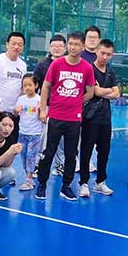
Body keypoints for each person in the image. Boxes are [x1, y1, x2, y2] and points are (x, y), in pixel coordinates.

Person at [36, 31, 95, 201]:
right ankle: (42, 184)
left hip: (74, 119)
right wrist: (43, 109)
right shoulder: (57, 64)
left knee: (71, 154)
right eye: (71, 44)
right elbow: (46, 87)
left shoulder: (87, 68)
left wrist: (76, 101)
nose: (73, 47)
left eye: (77, 44)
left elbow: (90, 92)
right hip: (55, 116)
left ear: (82, 47)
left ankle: (66, 186)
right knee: (49, 152)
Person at [79, 39, 120, 198]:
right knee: (86, 151)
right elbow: (95, 92)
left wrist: (104, 91)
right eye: (102, 53)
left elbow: (117, 93)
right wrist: (107, 90)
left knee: (104, 152)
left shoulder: (111, 72)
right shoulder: (89, 70)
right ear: (96, 51)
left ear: (112, 55)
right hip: (90, 117)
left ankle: (100, 182)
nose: (105, 57)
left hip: (106, 118)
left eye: (108, 54)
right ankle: (83, 183)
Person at [33, 34, 66, 174]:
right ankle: (37, 166)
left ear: (65, 48)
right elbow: (35, 86)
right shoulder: (42, 65)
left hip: (63, 109)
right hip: (46, 107)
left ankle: (60, 165)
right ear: (50, 48)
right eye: (54, 46)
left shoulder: (69, 64)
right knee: (43, 139)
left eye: (60, 46)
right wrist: (40, 107)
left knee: (61, 139)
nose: (57, 49)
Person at [14, 73, 42, 191]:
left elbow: (42, 118)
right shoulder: (21, 99)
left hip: (35, 133)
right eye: (25, 85)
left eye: (30, 85)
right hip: (23, 132)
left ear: (36, 85)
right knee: (24, 155)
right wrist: (16, 110)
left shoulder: (39, 99)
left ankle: (29, 179)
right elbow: (16, 114)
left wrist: (40, 110)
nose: (27, 88)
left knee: (31, 155)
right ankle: (28, 175)